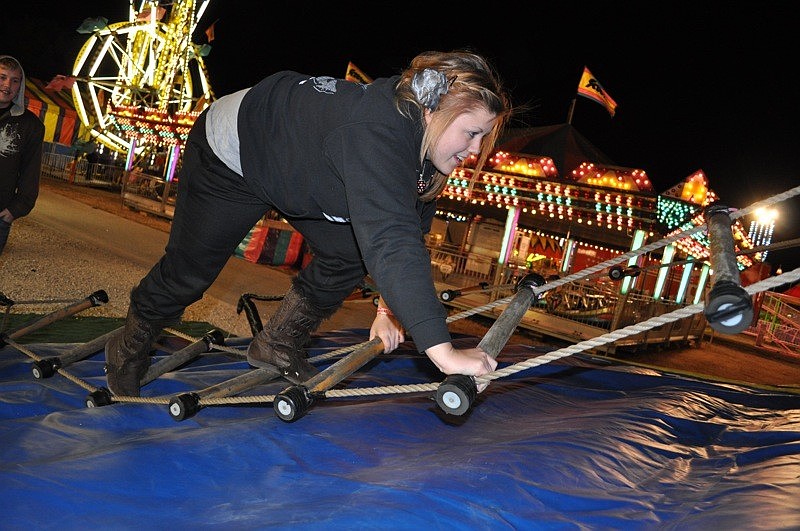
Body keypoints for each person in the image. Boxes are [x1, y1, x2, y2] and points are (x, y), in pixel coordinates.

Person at [106, 50, 512, 397]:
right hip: (235, 153)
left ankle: (278, 341)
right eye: (472, 133)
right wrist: (443, 353)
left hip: (300, 170)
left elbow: (409, 232)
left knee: (352, 250)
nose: (475, 150)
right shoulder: (377, 133)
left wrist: (388, 310)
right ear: (433, 110)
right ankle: (132, 341)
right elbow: (392, 241)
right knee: (191, 272)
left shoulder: (425, 153)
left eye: (484, 137)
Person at [0, 55, 44, 255]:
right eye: (2, 77)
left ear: (20, 85)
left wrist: (14, 211)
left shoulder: (31, 126)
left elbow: (30, 172)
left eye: (15, 80)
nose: (7, 85)